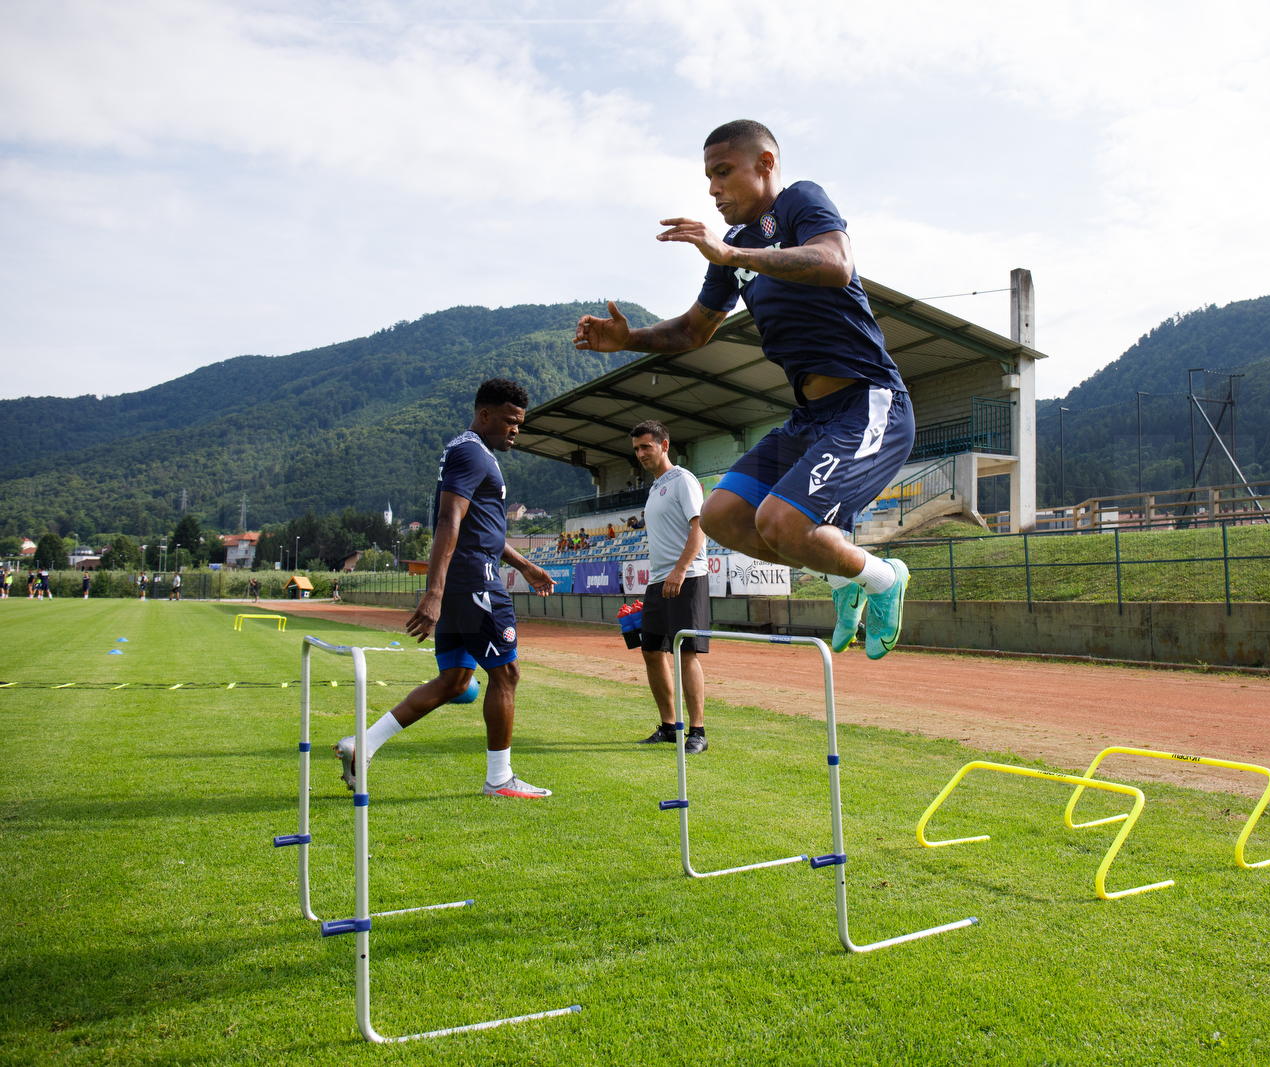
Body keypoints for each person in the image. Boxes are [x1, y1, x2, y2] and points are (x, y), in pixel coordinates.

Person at [574, 119, 913, 660]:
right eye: (708, 177)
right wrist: (629, 339)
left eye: (723, 173)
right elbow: (693, 330)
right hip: (810, 418)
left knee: (779, 521)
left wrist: (732, 258)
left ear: (766, 165)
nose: (713, 189)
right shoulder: (732, 247)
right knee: (721, 516)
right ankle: (841, 576)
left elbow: (835, 263)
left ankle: (882, 578)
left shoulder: (801, 201)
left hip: (868, 402)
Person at [335, 378, 558, 800]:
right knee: (506, 673)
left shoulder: (469, 451)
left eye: (520, 424)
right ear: (485, 414)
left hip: (463, 581)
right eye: (510, 421)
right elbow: (448, 521)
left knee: (456, 680)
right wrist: (433, 594)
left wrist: (526, 565)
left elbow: (482, 528)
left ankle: (362, 745)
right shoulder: (472, 453)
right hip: (475, 583)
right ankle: (500, 779)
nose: (515, 430)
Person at [629, 422, 712, 754]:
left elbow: (700, 525)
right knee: (651, 651)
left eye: (646, 446)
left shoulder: (683, 480)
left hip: (687, 577)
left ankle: (698, 732)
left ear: (664, 444)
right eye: (636, 448)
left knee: (686, 653)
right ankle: (669, 727)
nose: (641, 453)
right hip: (657, 581)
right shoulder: (654, 488)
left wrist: (679, 570)